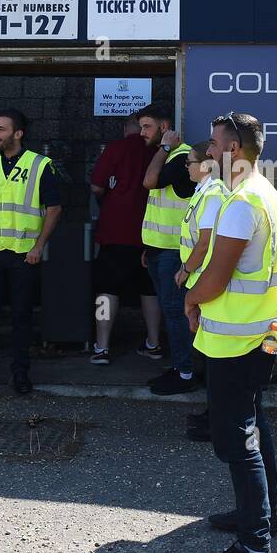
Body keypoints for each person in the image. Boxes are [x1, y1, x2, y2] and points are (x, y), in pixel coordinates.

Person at [184, 112, 277, 553]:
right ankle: (261, 518)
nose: (208, 151)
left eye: (213, 144)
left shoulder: (241, 202)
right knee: (253, 425)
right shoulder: (264, 192)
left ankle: (253, 548)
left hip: (237, 339)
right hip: (260, 333)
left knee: (238, 440)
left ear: (234, 150)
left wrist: (189, 300)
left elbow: (216, 276)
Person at [0, 108, 63, 396]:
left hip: (24, 254)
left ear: (18, 134)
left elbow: (54, 209)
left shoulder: (40, 165)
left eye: (1, 129)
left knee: (22, 316)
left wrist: (39, 246)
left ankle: (20, 374)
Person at [88, 116, 162, 365]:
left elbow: (96, 185)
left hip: (114, 231)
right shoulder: (157, 151)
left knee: (106, 291)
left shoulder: (116, 148)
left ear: (125, 129)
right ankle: (153, 343)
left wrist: (109, 200)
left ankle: (102, 347)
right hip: (150, 232)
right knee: (149, 290)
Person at [138, 104, 199, 395]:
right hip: (158, 249)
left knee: (176, 312)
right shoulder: (167, 157)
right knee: (171, 311)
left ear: (164, 129)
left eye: (147, 126)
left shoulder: (181, 156)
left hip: (175, 251)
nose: (142, 133)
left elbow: (149, 182)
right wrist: (148, 248)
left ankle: (186, 373)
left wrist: (163, 148)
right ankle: (179, 367)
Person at [176, 146, 227, 442]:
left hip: (206, 281)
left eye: (190, 162)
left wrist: (185, 269)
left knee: (213, 357)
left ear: (207, 166)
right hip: (203, 279)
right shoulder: (203, 191)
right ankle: (212, 415)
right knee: (208, 353)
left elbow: (205, 242)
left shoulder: (212, 194)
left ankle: (216, 420)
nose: (187, 167)